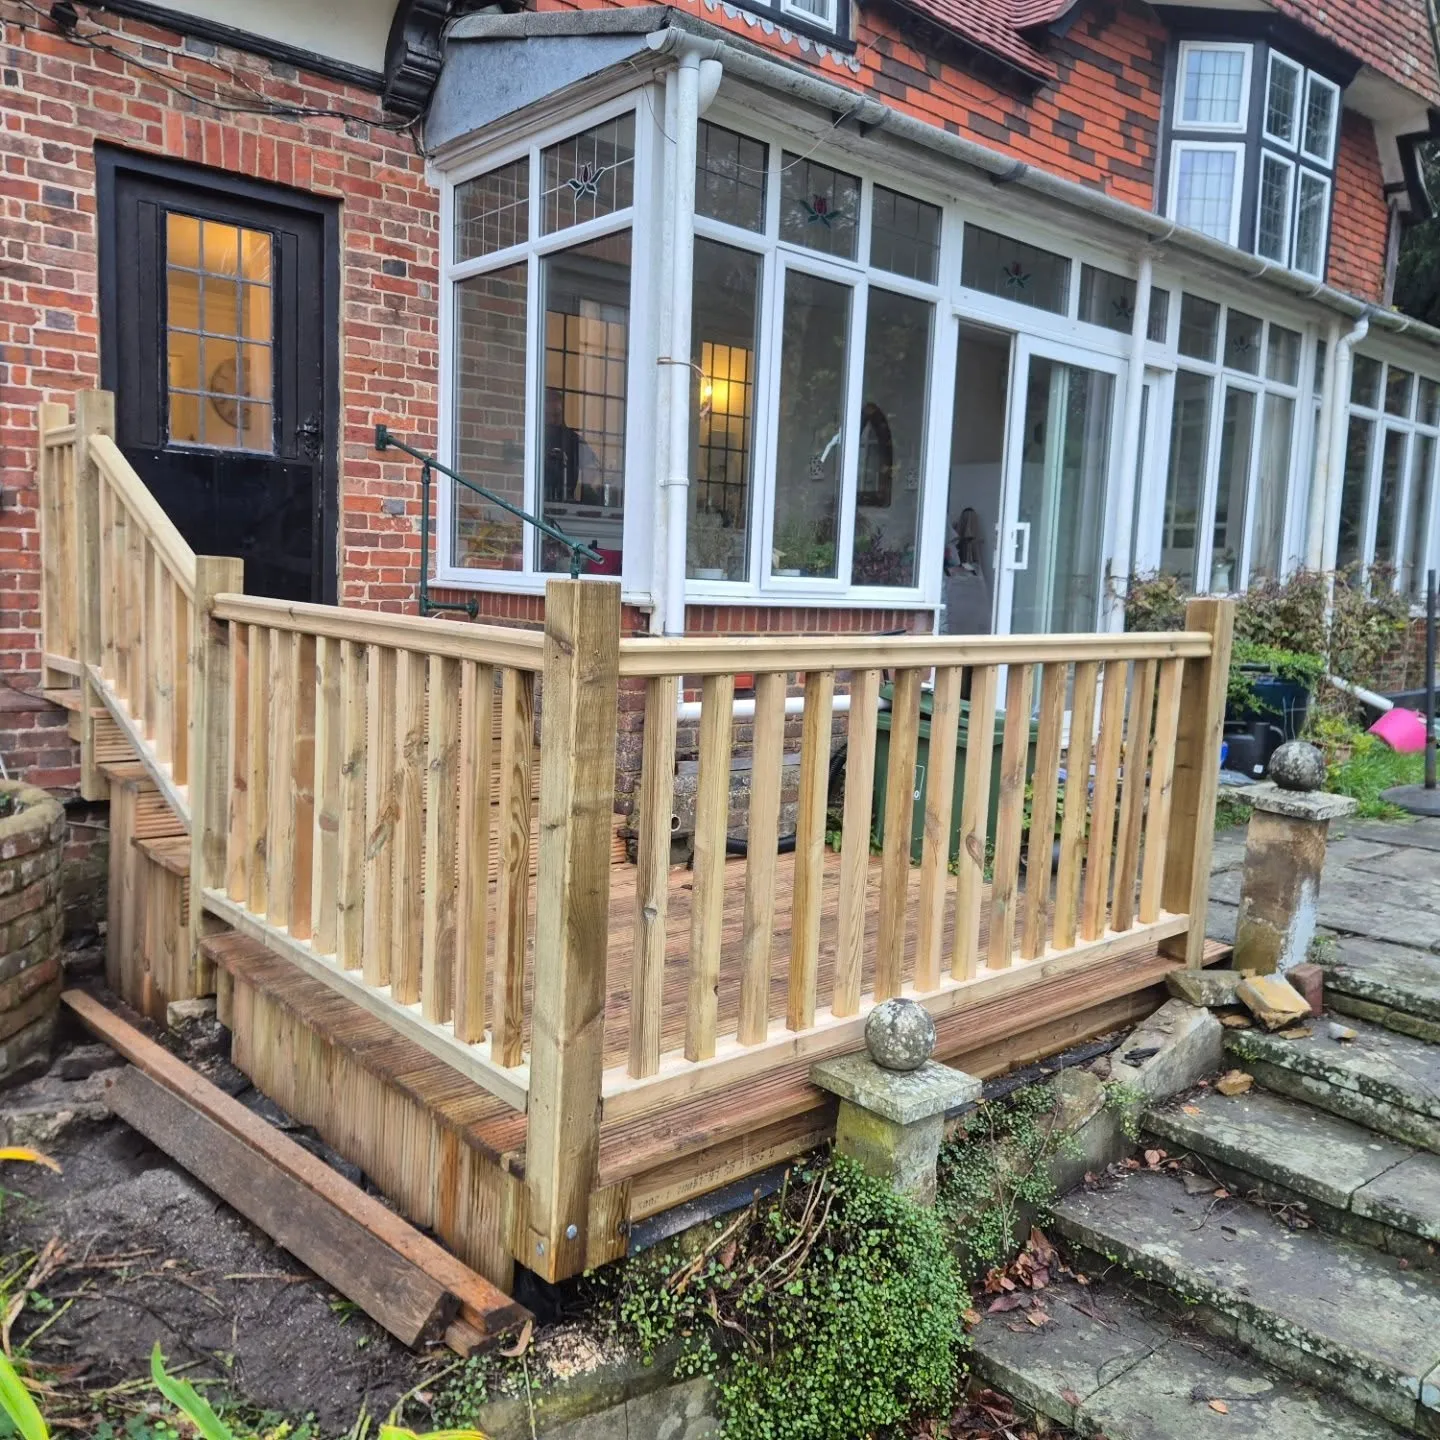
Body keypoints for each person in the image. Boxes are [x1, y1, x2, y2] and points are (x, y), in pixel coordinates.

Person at [543, 387, 605, 506]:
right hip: (538, 499)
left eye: (556, 415)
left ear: (562, 413)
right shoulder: (534, 439)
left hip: (566, 502)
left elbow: (592, 467)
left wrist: (587, 485)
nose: (551, 420)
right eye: (547, 415)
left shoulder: (573, 440)